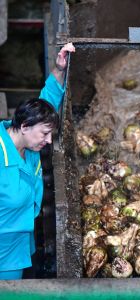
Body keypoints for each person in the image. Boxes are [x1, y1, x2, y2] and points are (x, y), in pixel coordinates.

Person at [0, 43, 75, 280]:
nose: (48, 140)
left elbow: (47, 105)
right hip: (4, 252)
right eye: (45, 134)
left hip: (22, 239)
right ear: (24, 127)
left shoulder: (28, 144)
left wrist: (60, 69)